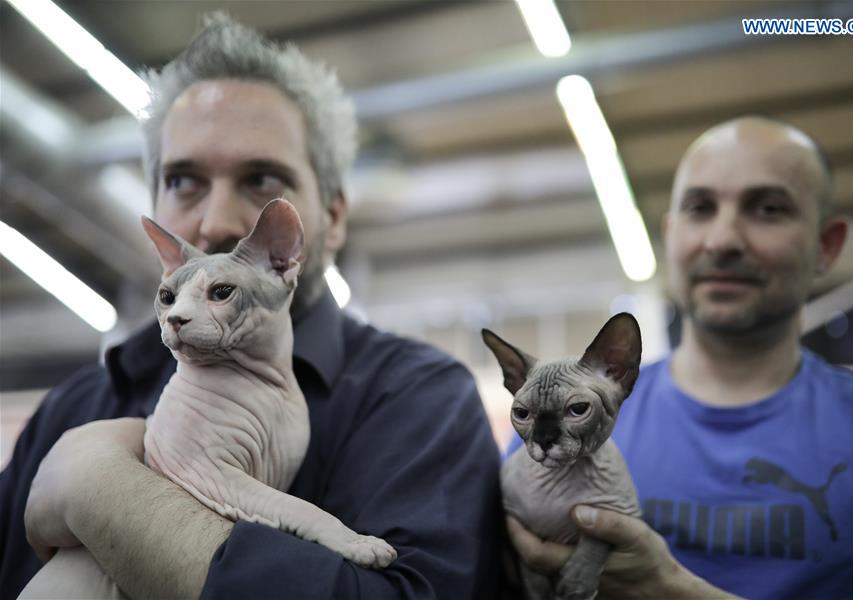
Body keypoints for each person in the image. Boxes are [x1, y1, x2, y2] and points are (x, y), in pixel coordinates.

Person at [0, 14, 503, 599]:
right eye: (184, 181)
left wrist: (107, 494)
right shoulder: (77, 404)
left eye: (261, 178)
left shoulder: (419, 399)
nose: (216, 221)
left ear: (334, 216)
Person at [505, 116, 853, 599]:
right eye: (699, 208)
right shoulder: (553, 411)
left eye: (769, 209)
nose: (722, 240)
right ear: (671, 234)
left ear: (826, 245)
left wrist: (669, 589)